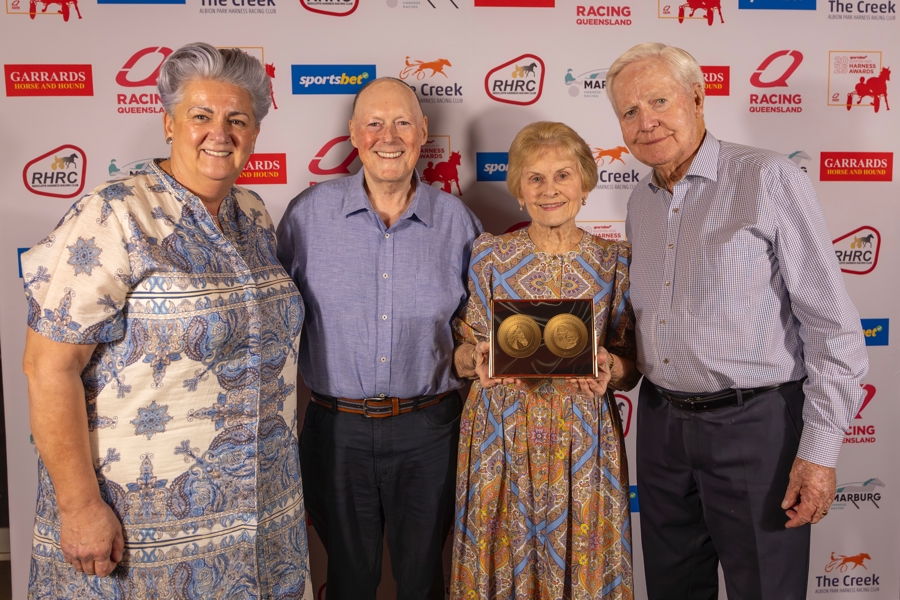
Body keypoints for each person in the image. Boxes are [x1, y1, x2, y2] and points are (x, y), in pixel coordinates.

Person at [21, 42, 312, 599]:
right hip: (143, 528)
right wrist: (79, 506)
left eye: (237, 120)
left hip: (262, 511)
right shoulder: (113, 213)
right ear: (169, 124)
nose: (219, 133)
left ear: (254, 133)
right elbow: (47, 367)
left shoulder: (253, 214)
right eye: (200, 115)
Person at [605, 42, 869, 599]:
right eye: (629, 110)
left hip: (756, 428)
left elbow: (832, 325)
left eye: (659, 101)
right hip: (661, 427)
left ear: (698, 99)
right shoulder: (640, 203)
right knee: (673, 589)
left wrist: (819, 452)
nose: (645, 121)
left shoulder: (769, 178)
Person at [276, 77, 482, 600]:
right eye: (374, 123)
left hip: (431, 430)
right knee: (348, 581)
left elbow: (477, 329)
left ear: (423, 132)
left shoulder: (458, 222)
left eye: (402, 123)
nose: (388, 137)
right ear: (353, 133)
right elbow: (272, 325)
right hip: (336, 431)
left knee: (423, 581)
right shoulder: (306, 217)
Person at [450, 121, 640, 599]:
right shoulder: (489, 255)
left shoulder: (614, 261)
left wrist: (611, 368)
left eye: (562, 175)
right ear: (518, 190)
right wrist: (475, 359)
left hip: (582, 440)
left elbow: (630, 365)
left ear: (585, 185)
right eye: (535, 178)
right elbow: (461, 353)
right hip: (499, 435)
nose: (549, 189)